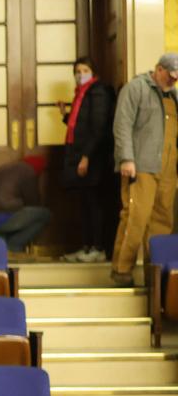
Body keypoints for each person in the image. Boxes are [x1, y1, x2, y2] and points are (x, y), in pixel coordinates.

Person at [109, 54, 178, 286]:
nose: (172, 82)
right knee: (135, 219)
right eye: (169, 76)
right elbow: (122, 125)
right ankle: (122, 270)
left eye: (176, 79)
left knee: (163, 222)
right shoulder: (135, 89)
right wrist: (127, 158)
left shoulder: (175, 96)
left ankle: (155, 277)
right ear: (158, 69)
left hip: (168, 169)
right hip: (141, 166)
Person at [56, 56, 115, 262]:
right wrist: (65, 115)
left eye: (85, 70)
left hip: (93, 157)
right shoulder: (82, 94)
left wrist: (86, 157)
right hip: (80, 155)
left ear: (93, 72)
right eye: (77, 71)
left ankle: (97, 247)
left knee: (93, 202)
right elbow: (80, 125)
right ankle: (87, 246)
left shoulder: (97, 92)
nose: (81, 75)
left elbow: (97, 128)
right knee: (84, 203)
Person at [0, 156, 52, 258]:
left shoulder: (2, 169)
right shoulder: (28, 170)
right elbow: (33, 202)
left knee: (6, 229)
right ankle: (13, 247)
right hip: (2, 216)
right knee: (44, 214)